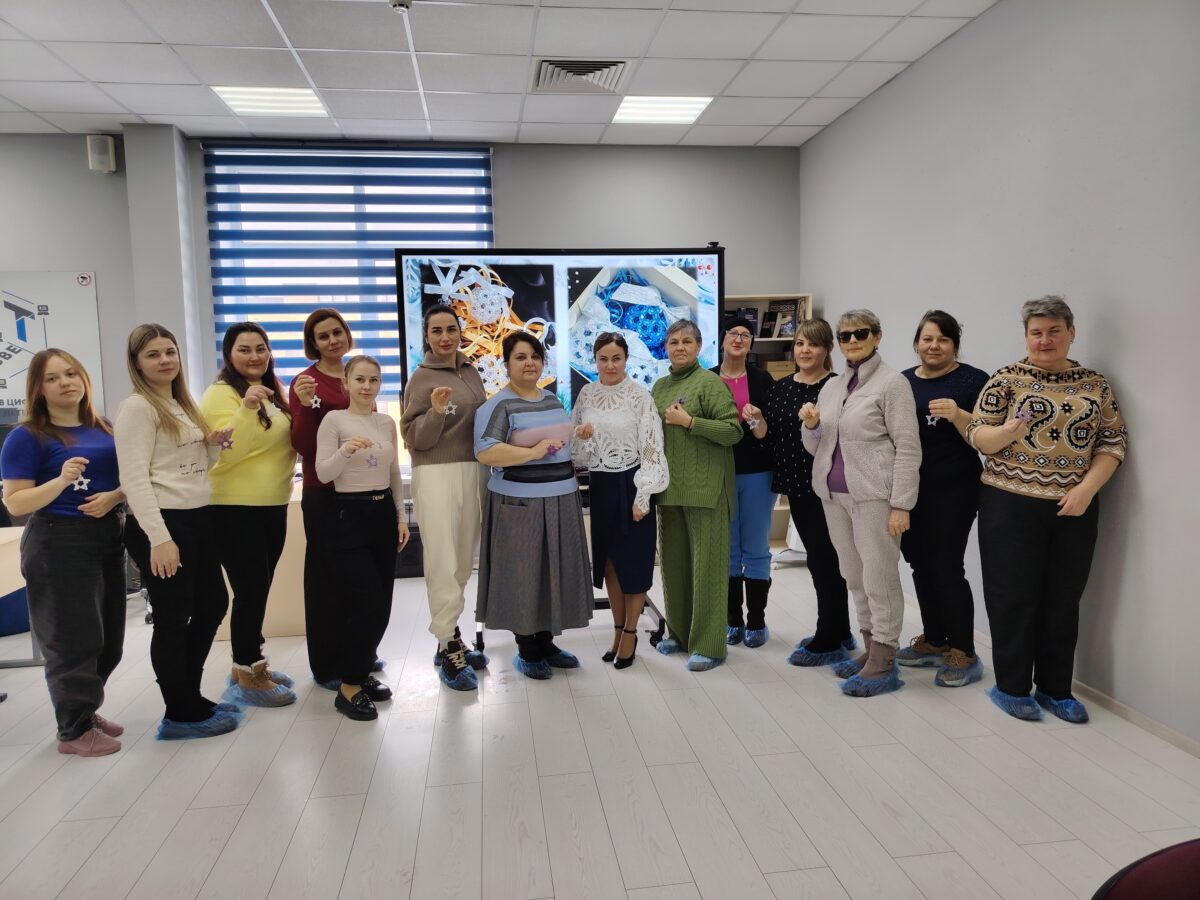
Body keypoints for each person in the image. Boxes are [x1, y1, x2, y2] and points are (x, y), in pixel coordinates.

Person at [966, 296, 1126, 723]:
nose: (1045, 340)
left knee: (1063, 599)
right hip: (1008, 504)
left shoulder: (1095, 385)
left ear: (1072, 333)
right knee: (1012, 597)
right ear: (1025, 337)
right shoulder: (1006, 379)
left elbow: (1113, 442)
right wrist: (1007, 432)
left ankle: (1056, 690)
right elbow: (977, 434)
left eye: (1054, 331)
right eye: (1036, 332)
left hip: (1074, 506)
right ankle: (1011, 687)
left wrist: (1087, 490)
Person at [116, 324, 241, 739]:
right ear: (137, 363)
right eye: (153, 354)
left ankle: (189, 696)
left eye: (169, 351)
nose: (165, 360)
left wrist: (213, 446)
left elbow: (194, 470)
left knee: (212, 605)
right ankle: (178, 711)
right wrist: (160, 538)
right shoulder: (138, 407)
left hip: (197, 517)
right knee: (172, 618)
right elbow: (134, 479)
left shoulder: (181, 404)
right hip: (164, 522)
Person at [1, 350, 127, 757]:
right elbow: (15, 503)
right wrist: (60, 481)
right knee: (73, 640)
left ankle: (85, 709)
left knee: (109, 640)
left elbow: (130, 478)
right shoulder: (27, 436)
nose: (65, 383)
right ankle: (73, 729)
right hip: (58, 541)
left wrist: (115, 497)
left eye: (71, 374)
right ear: (38, 388)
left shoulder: (103, 427)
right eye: (52, 378)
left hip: (106, 536)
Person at [800, 309, 921, 697]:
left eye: (860, 333)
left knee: (879, 577)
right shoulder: (833, 387)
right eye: (845, 336)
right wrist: (811, 426)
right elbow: (816, 447)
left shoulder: (892, 384)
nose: (852, 341)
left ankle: (885, 658)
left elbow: (908, 447)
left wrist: (901, 504)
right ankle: (870, 647)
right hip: (834, 496)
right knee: (853, 575)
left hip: (874, 498)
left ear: (877, 336)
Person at [474, 331, 592, 680]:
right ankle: (526, 648)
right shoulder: (498, 404)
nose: (529, 363)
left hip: (561, 499)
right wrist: (531, 452)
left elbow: (561, 442)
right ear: (506, 364)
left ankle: (546, 642)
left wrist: (578, 436)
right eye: (520, 357)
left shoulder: (552, 400)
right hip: (519, 504)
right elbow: (484, 451)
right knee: (522, 573)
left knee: (553, 572)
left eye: (535, 356)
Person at [200, 322, 298, 707]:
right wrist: (247, 408)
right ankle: (248, 668)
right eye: (244, 349)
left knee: (259, 588)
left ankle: (248, 666)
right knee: (250, 589)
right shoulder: (221, 394)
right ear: (229, 355)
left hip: (272, 503)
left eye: (261, 348)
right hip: (234, 507)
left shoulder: (272, 391)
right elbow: (228, 451)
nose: (254, 356)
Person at [897, 310, 990, 687]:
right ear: (916, 343)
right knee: (919, 564)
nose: (934, 346)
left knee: (946, 566)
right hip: (910, 490)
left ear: (954, 344)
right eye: (927, 339)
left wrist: (959, 415)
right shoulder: (902, 382)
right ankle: (935, 640)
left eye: (943, 339)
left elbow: (987, 437)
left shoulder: (973, 380)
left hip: (955, 490)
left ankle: (964, 651)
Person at [290, 307, 382, 688]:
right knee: (327, 581)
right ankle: (328, 665)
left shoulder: (358, 376)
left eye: (337, 332)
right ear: (313, 343)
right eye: (323, 336)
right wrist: (304, 406)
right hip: (324, 493)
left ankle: (358, 656)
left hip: (359, 495)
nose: (332, 340)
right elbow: (301, 444)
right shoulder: (306, 383)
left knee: (360, 582)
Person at [315, 355, 410, 721]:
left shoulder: (385, 422)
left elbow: (394, 472)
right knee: (365, 601)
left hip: (381, 513)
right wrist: (346, 450)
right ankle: (349, 686)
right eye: (360, 379)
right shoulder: (334, 420)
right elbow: (324, 473)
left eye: (373, 380)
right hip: (348, 516)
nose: (367, 386)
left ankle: (362, 669)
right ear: (346, 383)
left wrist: (401, 516)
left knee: (382, 603)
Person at [400, 305, 490, 691]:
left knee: (463, 562)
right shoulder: (420, 378)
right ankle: (447, 645)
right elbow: (413, 438)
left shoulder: (471, 372)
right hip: (436, 473)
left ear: (460, 331)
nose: (444, 337)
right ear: (426, 336)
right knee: (442, 560)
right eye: (436, 330)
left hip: (475, 470)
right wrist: (436, 412)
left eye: (450, 329)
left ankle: (450, 635)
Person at [650, 319, 743, 671]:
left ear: (699, 346)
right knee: (674, 569)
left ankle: (709, 645)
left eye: (687, 341)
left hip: (706, 491)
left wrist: (690, 422)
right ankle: (678, 634)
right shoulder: (659, 386)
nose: (679, 347)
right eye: (673, 341)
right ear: (666, 347)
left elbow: (733, 431)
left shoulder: (710, 383)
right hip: (669, 489)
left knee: (708, 572)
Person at [571, 332, 668, 669]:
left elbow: (652, 446)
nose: (610, 365)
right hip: (601, 484)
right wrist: (583, 438)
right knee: (609, 560)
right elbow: (577, 451)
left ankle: (630, 632)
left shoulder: (640, 396)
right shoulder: (586, 394)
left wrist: (644, 495)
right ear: (595, 360)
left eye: (616, 358)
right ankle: (616, 629)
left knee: (634, 562)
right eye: (603, 359)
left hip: (633, 483)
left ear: (626, 360)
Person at [763, 320, 855, 667]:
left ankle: (828, 637)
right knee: (822, 558)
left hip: (826, 485)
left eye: (813, 344)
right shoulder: (782, 387)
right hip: (796, 486)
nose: (805, 350)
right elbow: (771, 434)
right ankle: (840, 631)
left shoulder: (837, 387)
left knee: (825, 560)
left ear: (828, 349)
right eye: (800, 343)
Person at [712, 317, 776, 648]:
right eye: (733, 334)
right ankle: (732, 620)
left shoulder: (763, 379)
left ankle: (757, 621)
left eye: (745, 335)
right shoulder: (707, 379)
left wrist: (759, 420)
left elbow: (767, 434)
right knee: (728, 548)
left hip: (757, 473)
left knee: (756, 547)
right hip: (719, 473)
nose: (738, 339)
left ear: (751, 343)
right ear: (722, 339)